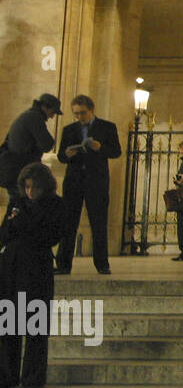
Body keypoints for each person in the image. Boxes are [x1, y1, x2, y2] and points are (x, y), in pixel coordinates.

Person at [0, 163, 64, 388]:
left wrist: (22, 221)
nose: (29, 192)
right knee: (9, 323)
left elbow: (51, 235)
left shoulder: (55, 205)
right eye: (26, 187)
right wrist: (16, 223)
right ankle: (7, 375)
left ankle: (33, 376)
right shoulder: (17, 202)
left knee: (35, 325)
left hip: (37, 268)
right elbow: (4, 235)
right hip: (12, 267)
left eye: (33, 188)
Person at [54, 95, 121, 276]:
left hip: (96, 181)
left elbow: (116, 151)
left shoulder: (107, 127)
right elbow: (61, 156)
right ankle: (63, 264)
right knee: (68, 223)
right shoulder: (69, 129)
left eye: (83, 113)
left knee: (99, 223)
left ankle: (102, 264)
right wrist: (67, 154)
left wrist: (100, 148)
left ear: (91, 110)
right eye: (76, 114)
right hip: (74, 181)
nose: (79, 117)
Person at [0, 94, 60, 209]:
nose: (52, 116)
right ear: (45, 107)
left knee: (16, 205)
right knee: (21, 206)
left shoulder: (27, 115)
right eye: (53, 112)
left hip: (13, 168)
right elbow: (47, 144)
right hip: (20, 168)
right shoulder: (34, 118)